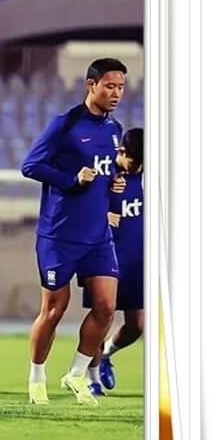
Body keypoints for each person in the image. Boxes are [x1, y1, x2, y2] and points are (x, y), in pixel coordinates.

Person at [21, 58, 128, 407]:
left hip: (97, 235)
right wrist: (71, 179)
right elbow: (30, 165)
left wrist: (115, 184)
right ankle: (37, 378)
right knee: (54, 310)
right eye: (109, 86)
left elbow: (105, 175)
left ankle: (77, 373)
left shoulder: (115, 130)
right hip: (59, 234)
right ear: (90, 85)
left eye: (121, 87)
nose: (116, 93)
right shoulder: (65, 124)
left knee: (106, 306)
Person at [84, 127, 144, 395]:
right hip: (103, 256)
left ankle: (107, 354)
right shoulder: (103, 173)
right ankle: (92, 378)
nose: (139, 166)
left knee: (136, 326)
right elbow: (77, 205)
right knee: (101, 318)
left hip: (136, 261)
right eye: (135, 161)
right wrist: (101, 215)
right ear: (121, 152)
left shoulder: (147, 178)